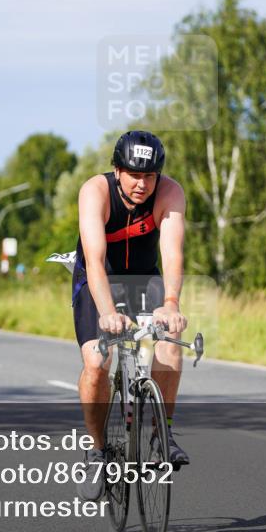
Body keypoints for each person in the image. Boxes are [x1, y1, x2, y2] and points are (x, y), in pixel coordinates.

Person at [72, 130, 189, 501]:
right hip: (98, 279)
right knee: (96, 360)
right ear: (117, 170)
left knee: (170, 343)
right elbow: (93, 260)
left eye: (150, 176)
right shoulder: (96, 191)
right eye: (134, 175)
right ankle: (96, 451)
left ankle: (161, 433)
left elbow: (172, 253)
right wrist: (107, 313)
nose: (142, 184)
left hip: (143, 278)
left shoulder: (170, 193)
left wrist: (170, 302)